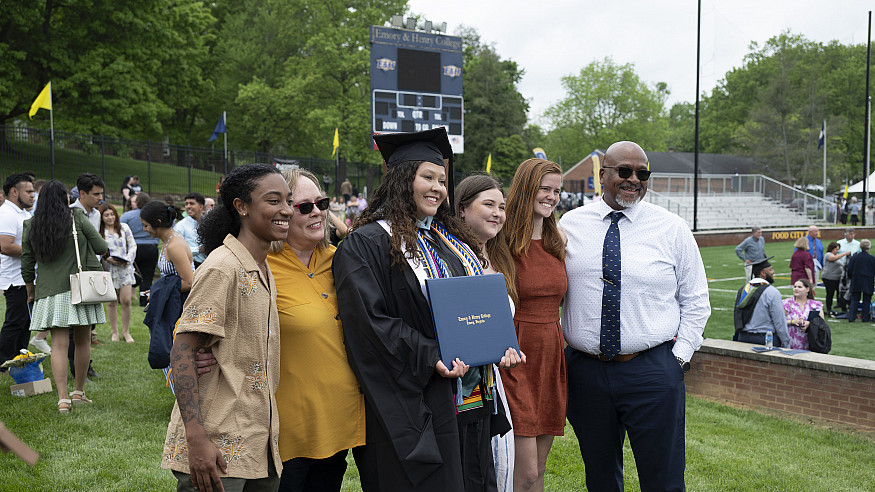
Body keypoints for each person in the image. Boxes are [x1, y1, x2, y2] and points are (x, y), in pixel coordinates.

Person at [332, 128, 506, 491]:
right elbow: (370, 325)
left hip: (469, 394)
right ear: (400, 179)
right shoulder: (367, 244)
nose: (438, 188)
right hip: (417, 398)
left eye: (442, 180)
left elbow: (475, 306)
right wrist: (432, 355)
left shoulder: (449, 240)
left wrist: (495, 344)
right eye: (427, 177)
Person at [560, 141, 711, 491]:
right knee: (600, 477)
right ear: (603, 175)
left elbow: (696, 300)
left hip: (653, 371)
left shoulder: (671, 228)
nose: (634, 180)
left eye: (642, 173)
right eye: (624, 171)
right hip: (586, 372)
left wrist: (678, 358)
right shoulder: (570, 223)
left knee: (664, 478)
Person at [161, 163, 291, 491]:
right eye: (274, 201)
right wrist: (197, 441)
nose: (286, 210)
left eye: (288, 201)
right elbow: (182, 351)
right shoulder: (223, 268)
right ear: (241, 206)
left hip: (257, 445)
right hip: (215, 448)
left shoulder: (260, 267)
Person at [268, 169, 365, 491]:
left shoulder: (341, 261)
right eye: (304, 206)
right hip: (287, 433)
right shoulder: (258, 265)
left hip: (340, 426)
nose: (318, 212)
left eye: (321, 203)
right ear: (281, 212)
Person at [497, 159, 567, 492]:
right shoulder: (502, 241)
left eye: (557, 190)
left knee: (538, 470)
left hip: (551, 356)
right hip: (516, 355)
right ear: (527, 188)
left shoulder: (558, 239)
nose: (552, 197)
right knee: (522, 473)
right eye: (545, 189)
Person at [455, 174, 523, 492]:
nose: (498, 213)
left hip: (494, 380)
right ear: (462, 209)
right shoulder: (447, 260)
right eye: (489, 205)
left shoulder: (494, 259)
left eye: (502, 206)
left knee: (503, 468)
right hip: (463, 386)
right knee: (478, 471)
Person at [21, 180, 108, 413]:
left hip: (49, 291)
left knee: (58, 344)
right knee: (82, 341)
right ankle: (78, 392)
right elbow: (101, 246)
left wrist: (30, 289)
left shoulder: (31, 224)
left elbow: (27, 263)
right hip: (80, 289)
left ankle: (62, 399)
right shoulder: (77, 217)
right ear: (65, 198)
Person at [141, 201, 193, 378]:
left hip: (180, 307)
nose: (144, 229)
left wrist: (159, 293)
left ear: (158, 222)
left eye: (146, 225)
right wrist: (156, 292)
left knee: (173, 353)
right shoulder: (168, 242)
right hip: (172, 303)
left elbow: (188, 281)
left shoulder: (174, 245)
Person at [0, 174, 36, 366]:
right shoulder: (6, 213)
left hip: (26, 278)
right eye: (28, 191)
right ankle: (3, 361)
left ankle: (18, 359)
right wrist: (36, 253)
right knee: (15, 322)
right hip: (15, 279)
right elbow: (5, 246)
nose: (33, 195)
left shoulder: (24, 213)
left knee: (25, 323)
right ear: (14, 191)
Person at [98, 203, 137, 343]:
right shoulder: (100, 231)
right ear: (101, 217)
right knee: (112, 302)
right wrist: (108, 259)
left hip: (125, 268)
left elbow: (132, 245)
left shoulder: (124, 227)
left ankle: (126, 332)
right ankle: (114, 332)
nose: (110, 217)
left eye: (112, 214)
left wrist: (128, 260)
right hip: (109, 269)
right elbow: (98, 250)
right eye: (106, 215)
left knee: (126, 300)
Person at [734, 257, 790, 347]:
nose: (773, 272)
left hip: (742, 338)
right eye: (770, 270)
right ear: (763, 273)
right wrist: (786, 342)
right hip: (765, 340)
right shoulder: (772, 292)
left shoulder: (742, 290)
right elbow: (779, 321)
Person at [121, 193, 159, 307]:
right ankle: (144, 300)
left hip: (133, 247)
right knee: (147, 276)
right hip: (151, 247)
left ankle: (122, 296)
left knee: (129, 273)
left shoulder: (127, 215)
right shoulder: (153, 216)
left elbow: (120, 229)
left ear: (136, 203)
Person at [782, 279, 823, 350]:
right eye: (795, 287)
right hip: (790, 342)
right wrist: (793, 322)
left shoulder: (815, 305)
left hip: (810, 342)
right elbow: (779, 322)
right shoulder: (786, 303)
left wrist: (810, 323)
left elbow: (822, 323)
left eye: (799, 287)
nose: (796, 289)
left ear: (807, 289)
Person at [174, 192, 207, 268]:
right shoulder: (180, 226)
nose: (188, 206)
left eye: (191, 203)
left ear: (201, 207)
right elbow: (177, 249)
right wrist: (198, 250)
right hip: (190, 266)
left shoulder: (209, 222)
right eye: (186, 204)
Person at [846, 239, 875, 323]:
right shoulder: (872, 258)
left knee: (855, 299)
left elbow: (849, 269)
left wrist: (852, 277)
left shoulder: (855, 257)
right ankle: (865, 318)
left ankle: (851, 317)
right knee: (867, 299)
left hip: (856, 279)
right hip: (868, 280)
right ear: (868, 247)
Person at [822, 242, 850, 316]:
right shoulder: (828, 254)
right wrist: (844, 254)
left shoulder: (836, 256)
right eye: (836, 249)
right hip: (829, 278)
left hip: (837, 278)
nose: (837, 251)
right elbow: (832, 258)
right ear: (832, 249)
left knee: (840, 293)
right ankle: (828, 308)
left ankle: (841, 306)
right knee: (830, 294)